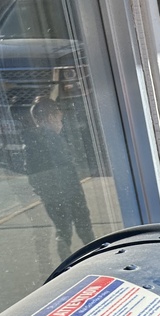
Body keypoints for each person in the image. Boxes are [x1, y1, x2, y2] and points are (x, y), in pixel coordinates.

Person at [26, 95, 94, 263]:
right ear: (50, 118)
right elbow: (65, 169)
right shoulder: (52, 141)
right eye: (59, 119)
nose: (61, 123)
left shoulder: (32, 143)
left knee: (62, 230)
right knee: (83, 227)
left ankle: (65, 262)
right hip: (68, 193)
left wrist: (45, 193)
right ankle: (94, 258)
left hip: (52, 196)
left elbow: (33, 175)